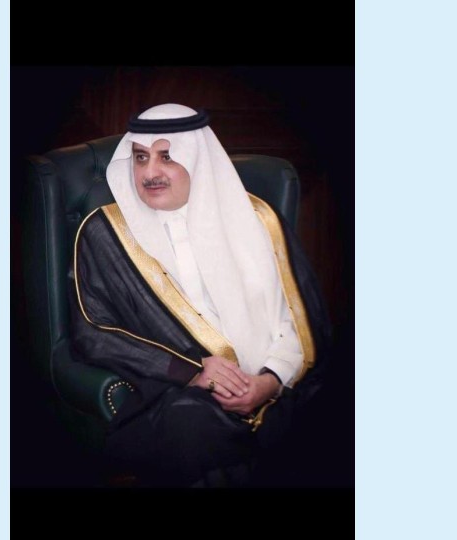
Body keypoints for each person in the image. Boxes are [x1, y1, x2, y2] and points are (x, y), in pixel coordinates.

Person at [69, 103, 333, 487]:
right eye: (140, 157)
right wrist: (191, 372)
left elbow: (295, 321)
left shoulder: (259, 221)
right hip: (178, 392)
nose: (150, 172)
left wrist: (270, 380)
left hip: (276, 390)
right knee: (191, 427)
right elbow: (93, 333)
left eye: (167, 157)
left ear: (197, 159)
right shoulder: (106, 233)